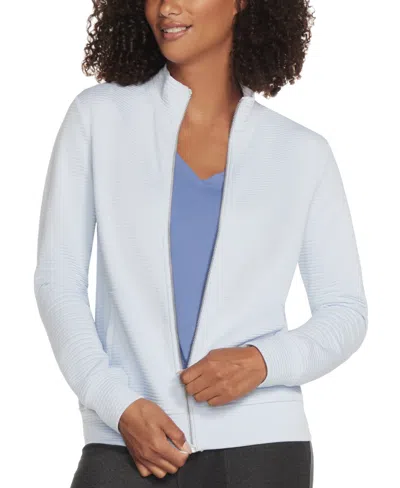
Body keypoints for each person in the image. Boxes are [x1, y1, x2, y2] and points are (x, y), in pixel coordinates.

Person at [33, 0, 368, 487]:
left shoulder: (300, 152)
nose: (166, 7)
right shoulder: (99, 118)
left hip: (262, 448)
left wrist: (262, 362)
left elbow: (345, 311)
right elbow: (57, 279)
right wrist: (117, 403)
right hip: (127, 438)